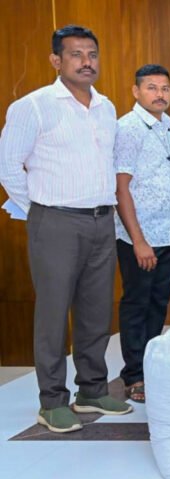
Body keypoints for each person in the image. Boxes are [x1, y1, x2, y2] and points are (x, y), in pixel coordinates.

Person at [0, 25, 132, 432]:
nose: (86, 62)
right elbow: (8, 167)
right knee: (54, 313)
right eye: (76, 54)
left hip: (101, 220)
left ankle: (91, 390)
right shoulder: (34, 106)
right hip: (55, 221)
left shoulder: (106, 107)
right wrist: (41, 208)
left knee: (96, 312)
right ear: (56, 60)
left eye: (91, 54)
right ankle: (52, 400)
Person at [112, 64, 170, 404]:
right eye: (152, 87)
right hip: (139, 237)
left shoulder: (168, 126)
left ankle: (149, 369)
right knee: (137, 304)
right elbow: (120, 187)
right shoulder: (128, 128)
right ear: (136, 91)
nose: (160, 94)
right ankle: (134, 375)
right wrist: (138, 240)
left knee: (158, 303)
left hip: (169, 234)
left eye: (165, 88)